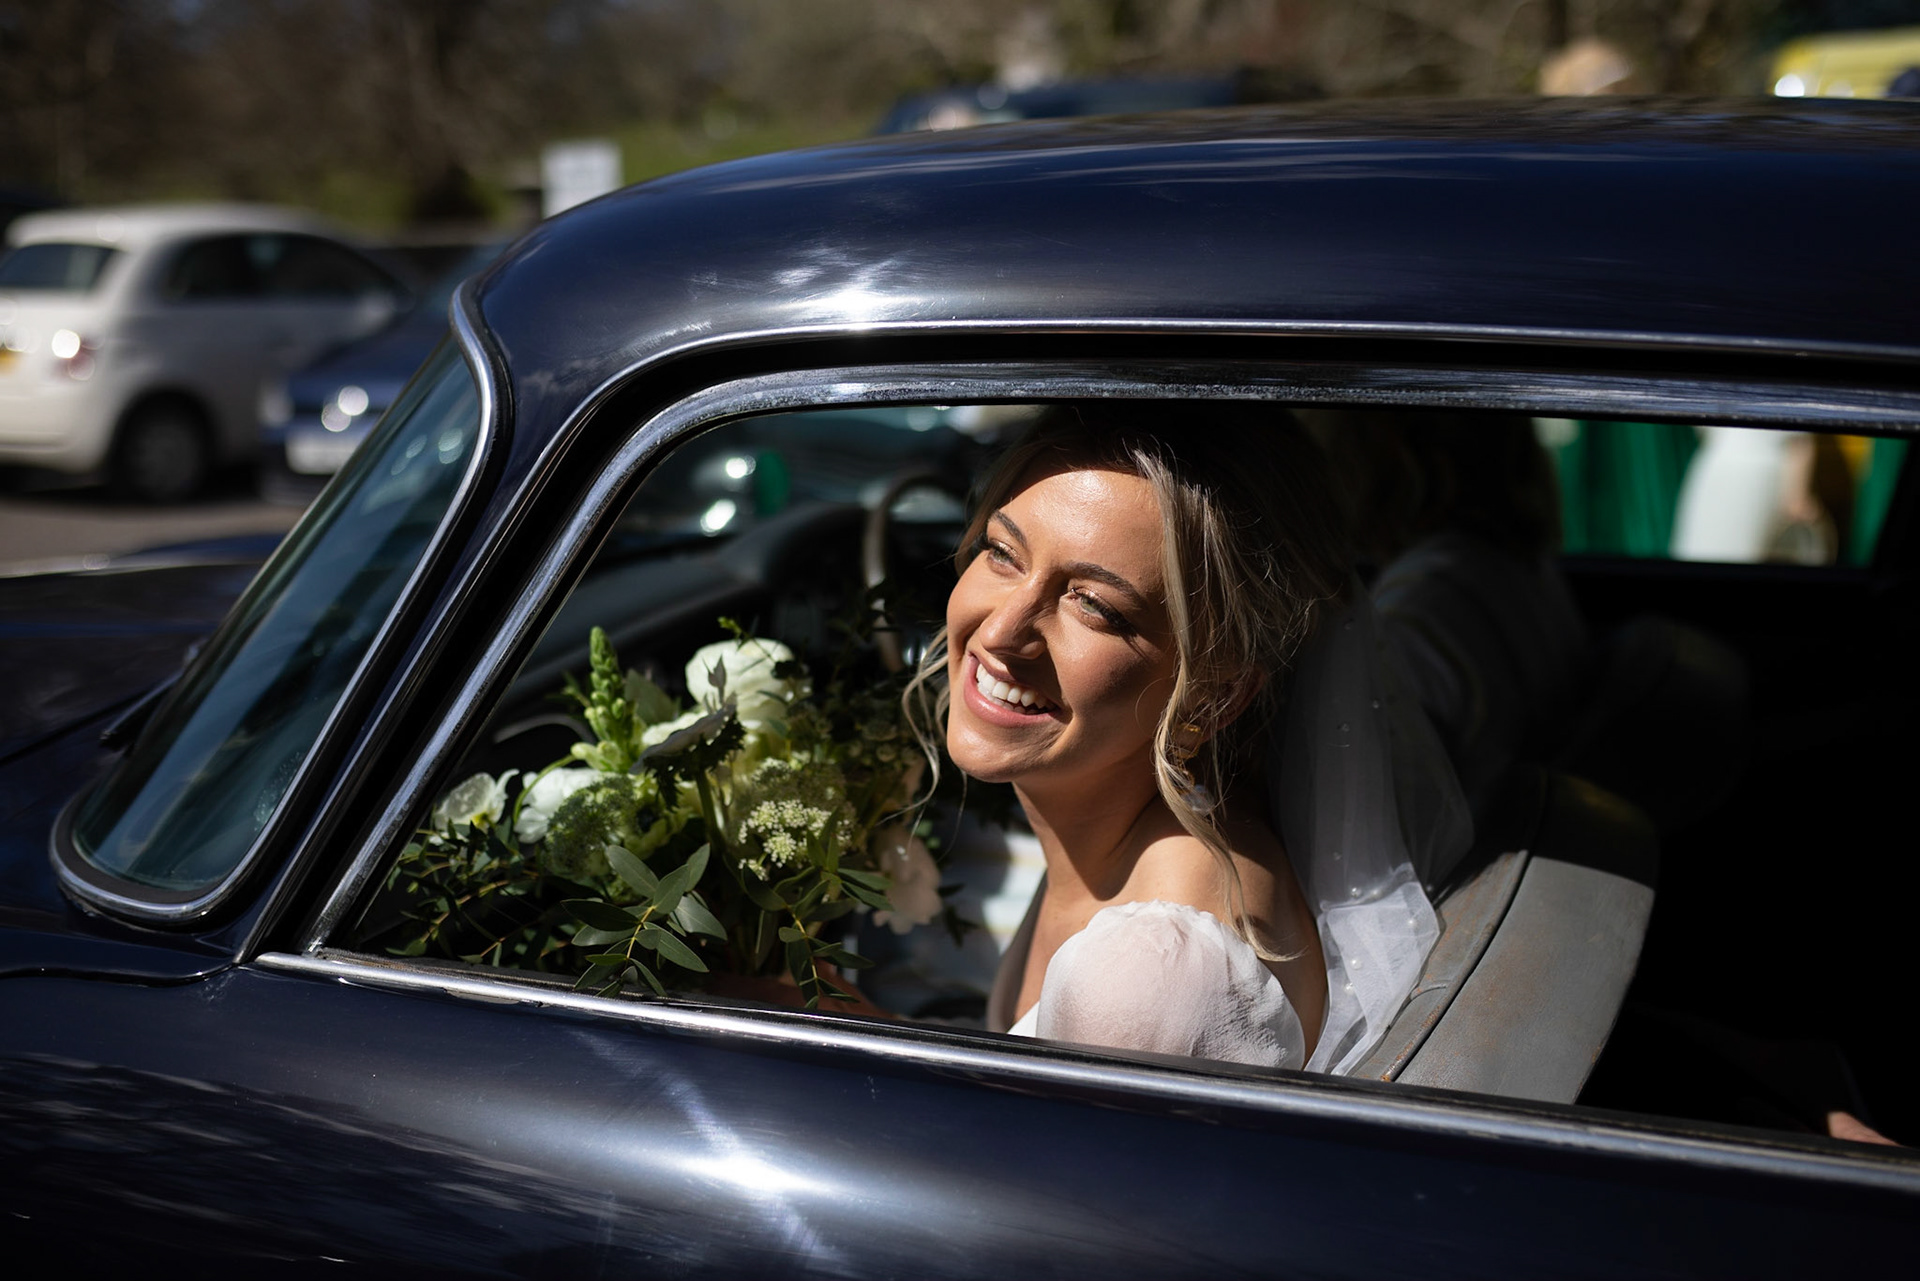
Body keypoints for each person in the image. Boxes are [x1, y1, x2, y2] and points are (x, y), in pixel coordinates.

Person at [906, 403, 1443, 1071]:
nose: (999, 632)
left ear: (1213, 693)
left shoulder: (1153, 979)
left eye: (1094, 605)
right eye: (1002, 552)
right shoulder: (1138, 823)